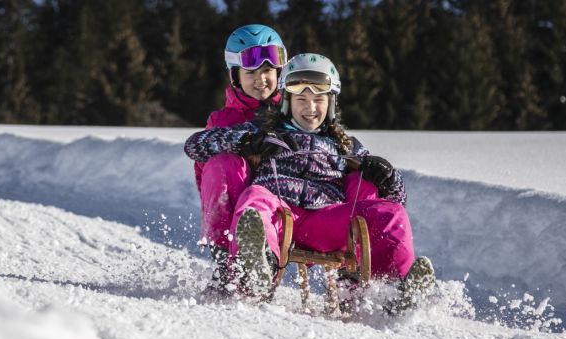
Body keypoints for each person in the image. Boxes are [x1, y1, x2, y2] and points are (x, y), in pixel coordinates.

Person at [184, 53, 436, 314]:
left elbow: (397, 199)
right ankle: (256, 270)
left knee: (391, 213)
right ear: (287, 103)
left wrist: (389, 177)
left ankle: (393, 291)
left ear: (331, 103)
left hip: (327, 218)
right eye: (301, 100)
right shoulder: (264, 132)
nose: (310, 108)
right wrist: (247, 142)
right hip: (280, 211)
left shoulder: (345, 145)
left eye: (318, 100)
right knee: (255, 197)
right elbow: (195, 145)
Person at [192, 23, 288, 296]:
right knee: (221, 164)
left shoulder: (293, 114)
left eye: (268, 70)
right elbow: (205, 176)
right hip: (233, 208)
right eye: (251, 72)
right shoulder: (222, 121)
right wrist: (241, 143)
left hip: (281, 204)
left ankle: (261, 264)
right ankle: (230, 264)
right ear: (235, 76)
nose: (262, 79)